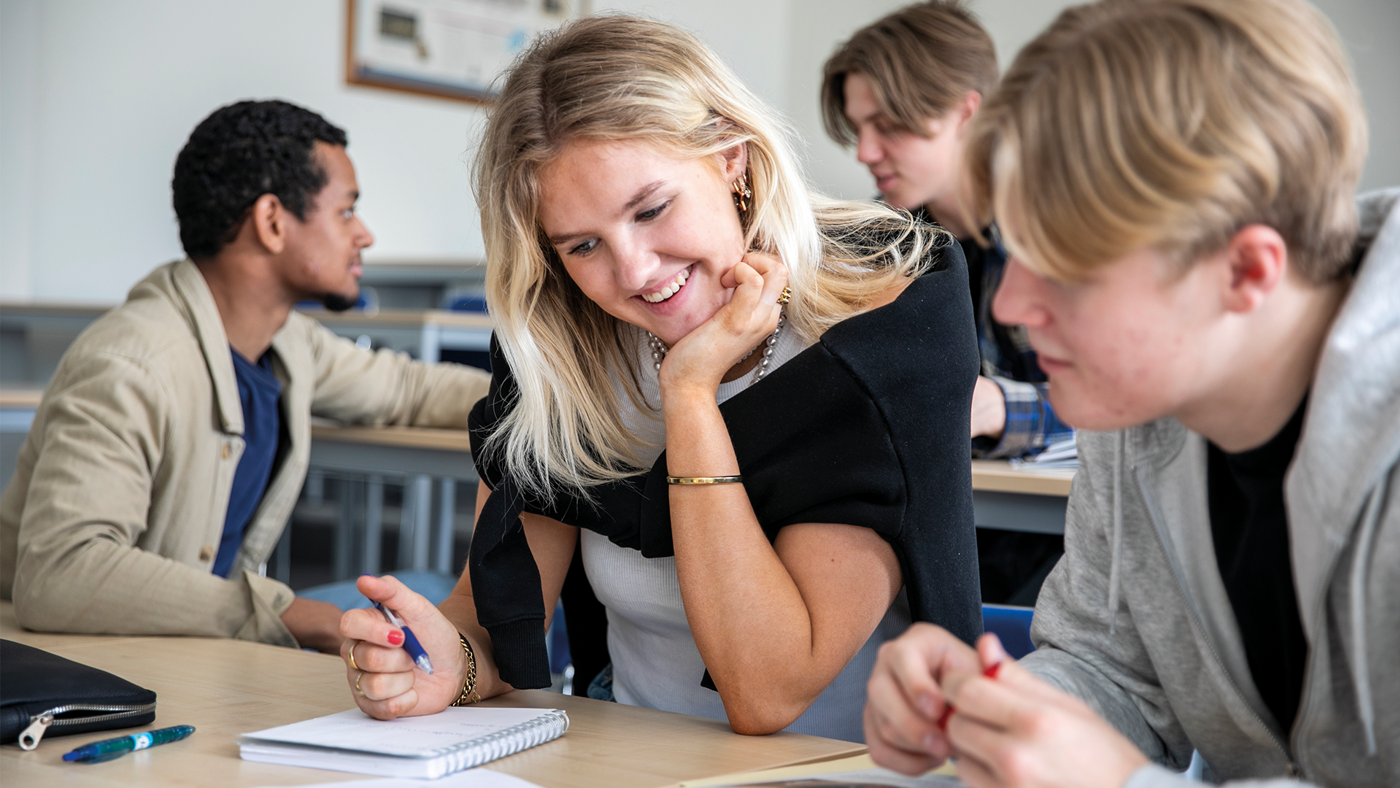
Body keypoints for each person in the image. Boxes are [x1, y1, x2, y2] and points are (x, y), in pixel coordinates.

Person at [338, 15, 983, 742]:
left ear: (730, 157)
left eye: (652, 208)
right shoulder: (562, 341)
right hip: (630, 752)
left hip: (845, 763)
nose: (636, 272)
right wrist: (440, 662)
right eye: (583, 245)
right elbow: (494, 627)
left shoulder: (882, 320)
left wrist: (690, 390)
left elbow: (766, 691)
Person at [862, 0, 1397, 786]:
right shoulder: (1134, 403)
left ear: (1246, 271)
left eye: (1067, 267)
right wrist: (990, 707)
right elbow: (1112, 672)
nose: (1009, 307)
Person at [0, 100, 491, 654]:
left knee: (428, 592)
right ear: (273, 222)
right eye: (346, 212)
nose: (365, 235)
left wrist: (546, 399)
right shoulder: (129, 365)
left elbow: (405, 389)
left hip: (202, 633)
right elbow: (62, 573)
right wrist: (287, 613)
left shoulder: (284, 341)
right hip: (104, 655)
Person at [822, 1, 1067, 607]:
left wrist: (999, 410)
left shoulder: (1069, 229)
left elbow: (1138, 415)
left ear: (965, 111)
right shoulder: (887, 245)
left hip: (1061, 558)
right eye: (859, 130)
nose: (866, 152)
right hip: (950, 540)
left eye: (889, 126)